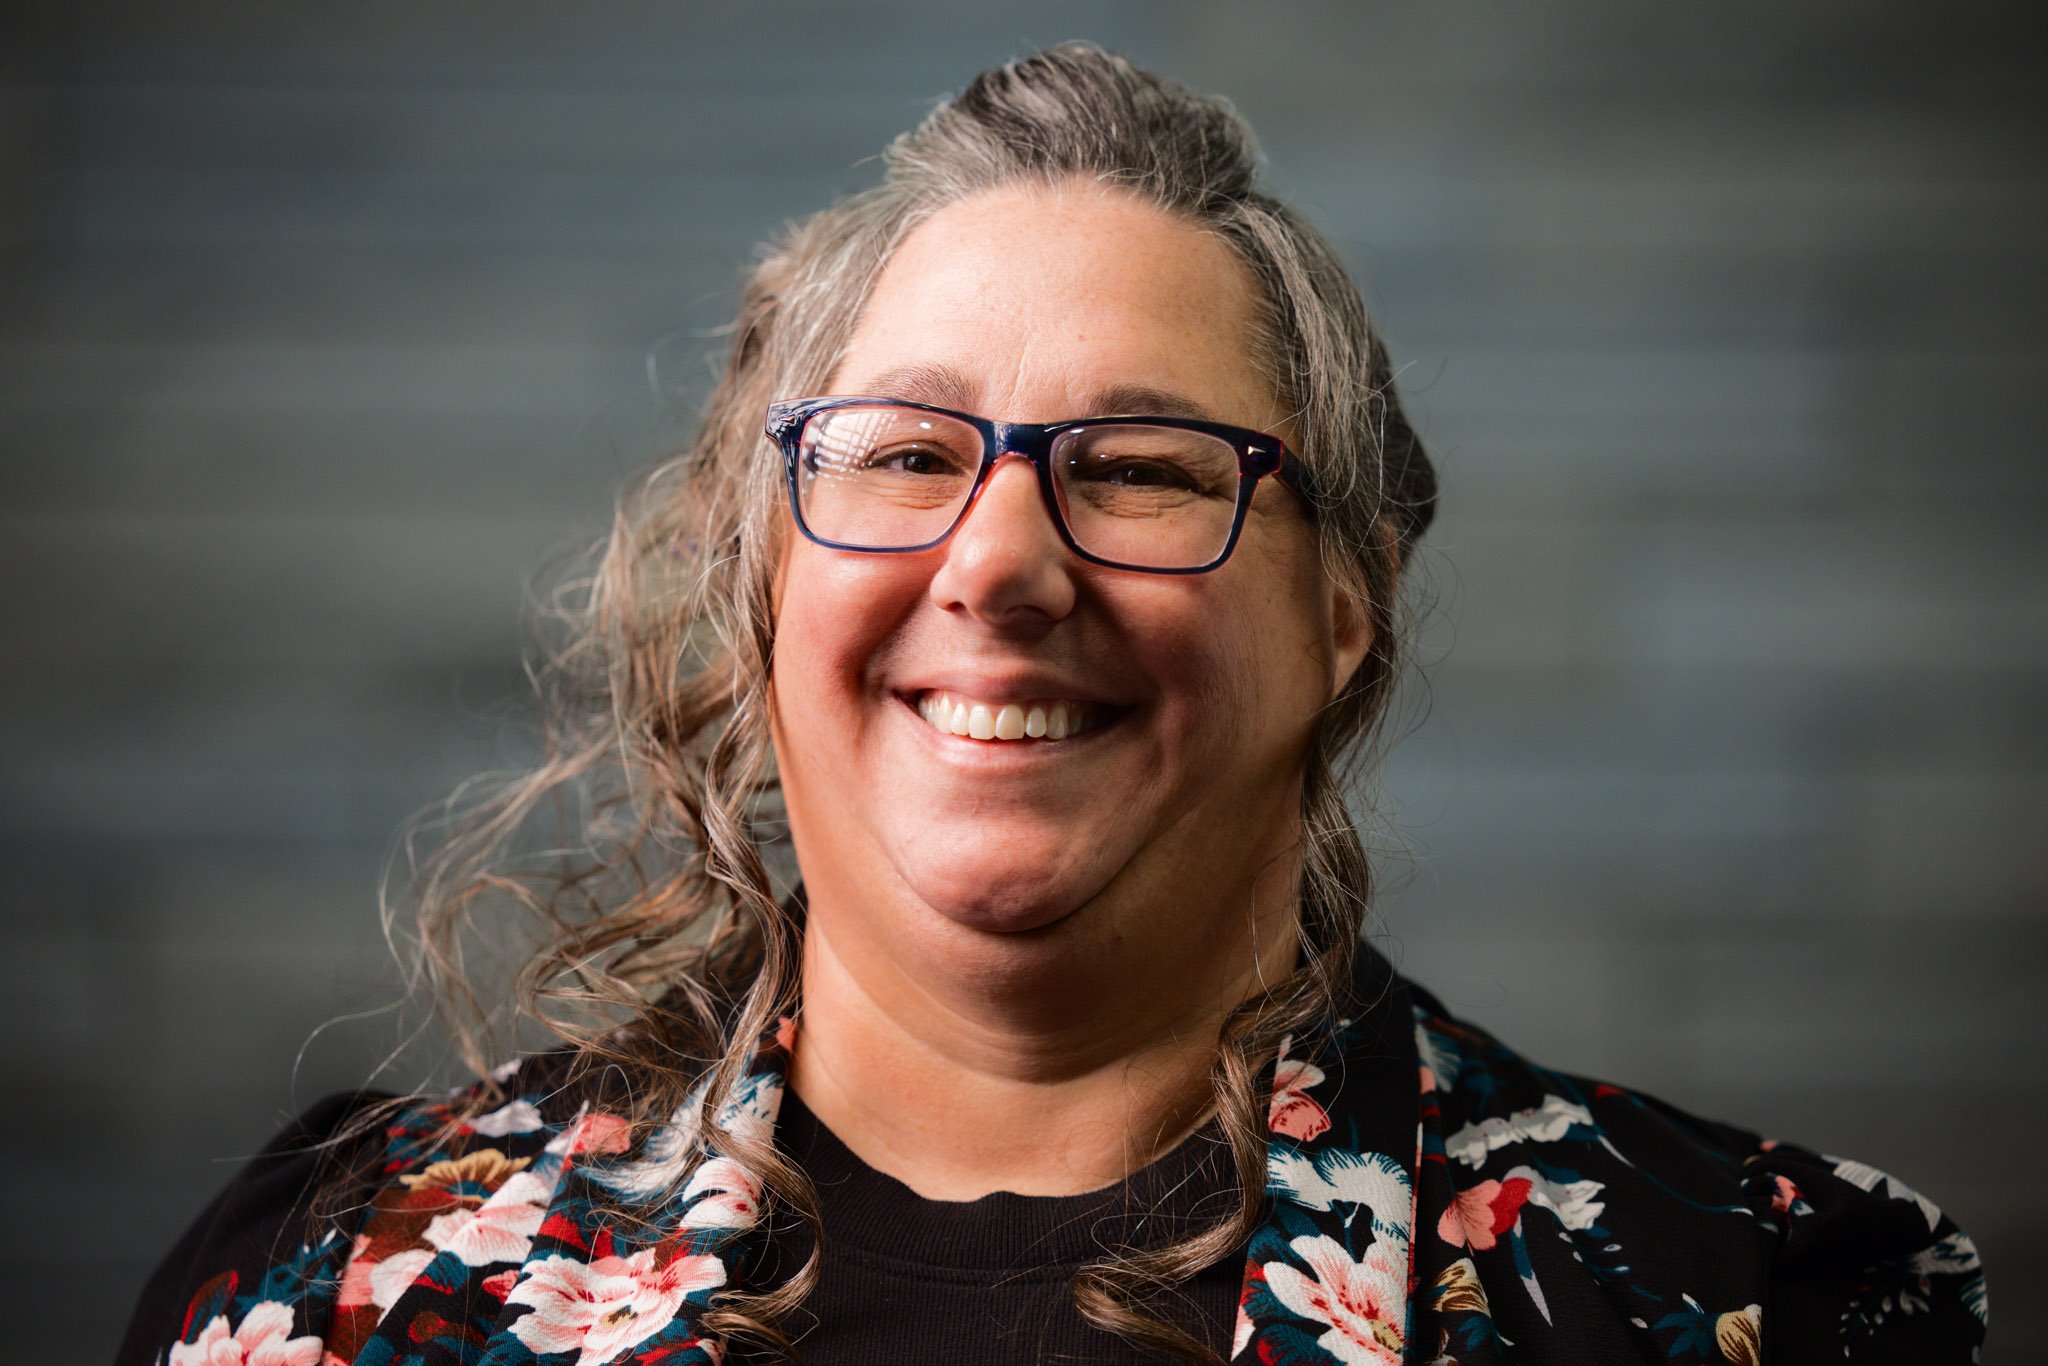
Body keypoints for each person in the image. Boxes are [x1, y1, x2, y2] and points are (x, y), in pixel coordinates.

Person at [119, 44, 1986, 1366]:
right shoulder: (343, 1286)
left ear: (1349, 606)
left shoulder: (1747, 1295)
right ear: (770, 576)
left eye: (1147, 467)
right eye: (907, 452)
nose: (1000, 565)